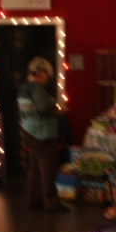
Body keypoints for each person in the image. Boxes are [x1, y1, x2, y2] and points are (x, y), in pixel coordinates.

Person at [18, 57, 68, 212]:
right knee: (48, 167)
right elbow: (44, 108)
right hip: (41, 133)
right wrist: (58, 110)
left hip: (27, 130)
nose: (48, 78)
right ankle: (51, 203)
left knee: (34, 167)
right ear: (40, 72)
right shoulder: (36, 88)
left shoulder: (24, 87)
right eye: (47, 75)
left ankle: (34, 199)